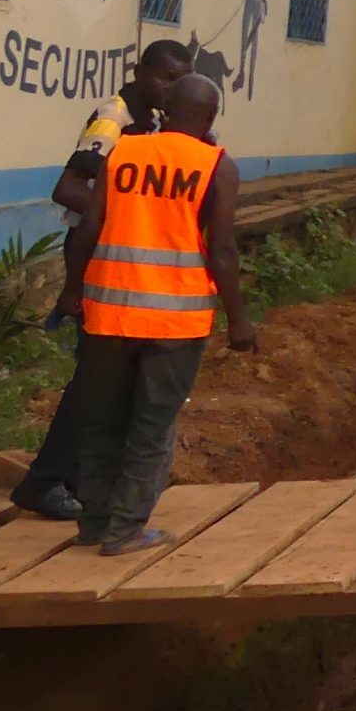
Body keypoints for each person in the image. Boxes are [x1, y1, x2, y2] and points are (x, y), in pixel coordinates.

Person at [60, 73, 256, 555]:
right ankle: (126, 531)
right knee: (151, 427)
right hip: (174, 322)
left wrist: (71, 290)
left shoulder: (123, 151)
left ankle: (95, 523)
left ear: (167, 110)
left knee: (102, 421)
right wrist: (238, 320)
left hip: (110, 314)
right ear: (211, 117)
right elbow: (222, 249)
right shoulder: (217, 166)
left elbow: (90, 225)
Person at [5, 39, 195, 522]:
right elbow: (68, 187)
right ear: (139, 71)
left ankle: (75, 480)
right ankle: (45, 481)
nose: (171, 87)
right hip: (94, 254)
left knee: (109, 374)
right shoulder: (115, 117)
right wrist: (122, 212)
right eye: (165, 76)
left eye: (180, 80)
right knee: (95, 375)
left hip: (121, 259)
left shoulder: (154, 120)